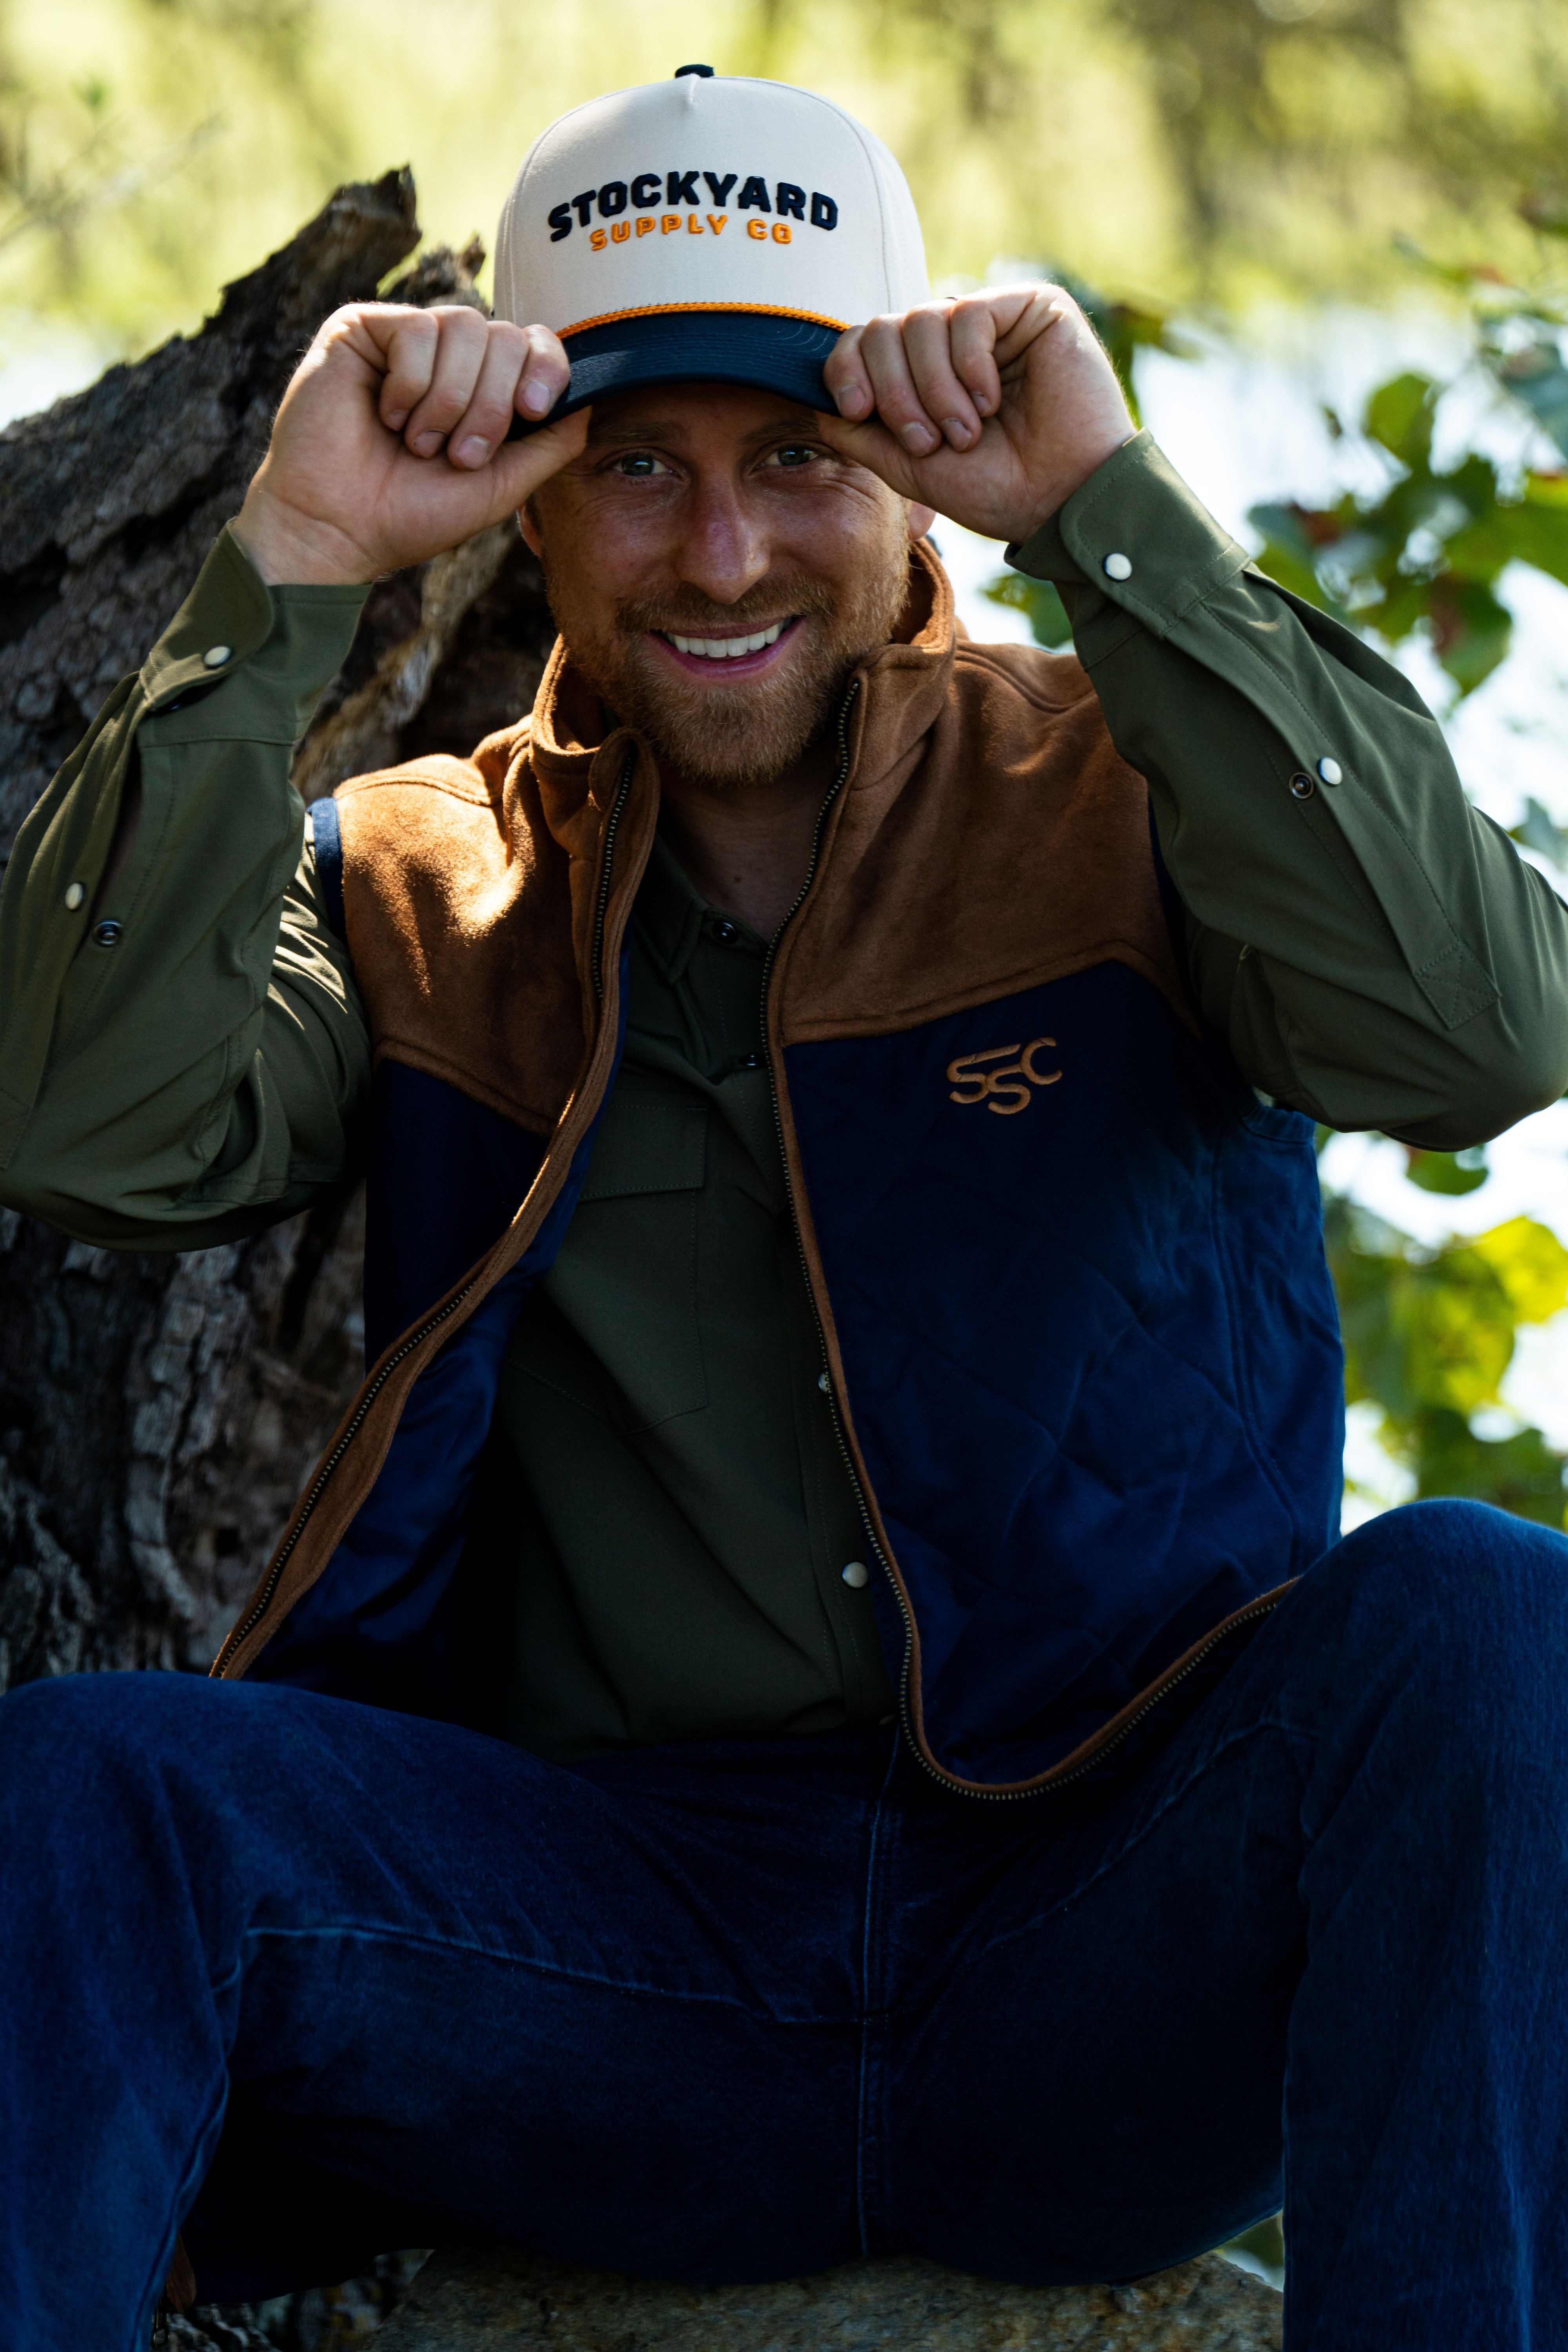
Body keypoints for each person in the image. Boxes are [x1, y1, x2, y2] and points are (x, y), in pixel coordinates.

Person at [3, 65, 1568, 2352]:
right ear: (530, 501)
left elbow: (1484, 1044)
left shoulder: (1132, 787)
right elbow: (76, 1130)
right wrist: (296, 557)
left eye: (801, 457)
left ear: (911, 469)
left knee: (1487, 1617)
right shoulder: (416, 877)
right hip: (606, 1961)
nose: (722, 554)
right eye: (638, 465)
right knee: (93, 1789)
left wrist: (1106, 510)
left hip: (1106, 1938)